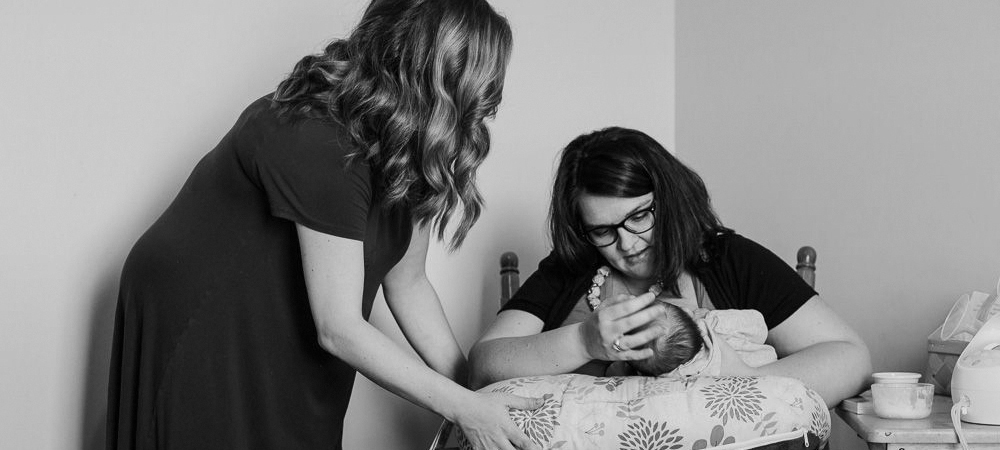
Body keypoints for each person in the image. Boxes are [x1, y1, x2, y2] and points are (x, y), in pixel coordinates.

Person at [106, 1, 544, 449]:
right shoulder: (320, 136)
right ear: (434, 74)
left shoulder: (409, 147)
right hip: (202, 312)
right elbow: (338, 328)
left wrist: (471, 388)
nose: (487, 99)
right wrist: (461, 407)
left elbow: (408, 282)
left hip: (289, 315)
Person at [468, 127, 871, 407]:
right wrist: (584, 343)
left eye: (640, 216)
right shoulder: (571, 268)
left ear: (669, 199)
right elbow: (484, 366)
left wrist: (739, 379)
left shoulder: (725, 259)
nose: (627, 243)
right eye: (603, 230)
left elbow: (850, 356)